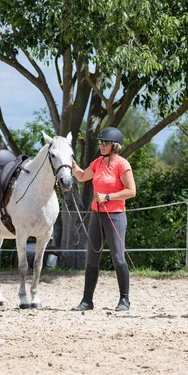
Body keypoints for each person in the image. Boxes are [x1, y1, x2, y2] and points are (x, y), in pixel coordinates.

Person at [71, 127, 136, 312]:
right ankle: (87, 300)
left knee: (117, 257)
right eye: (100, 142)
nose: (101, 145)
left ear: (114, 146)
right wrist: (71, 164)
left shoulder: (122, 165)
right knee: (92, 258)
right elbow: (82, 176)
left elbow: (131, 191)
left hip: (115, 215)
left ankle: (124, 299)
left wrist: (108, 197)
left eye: (104, 143)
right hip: (97, 214)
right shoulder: (98, 162)